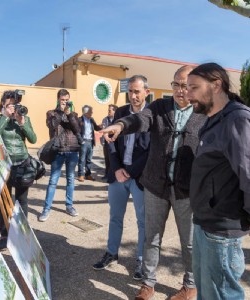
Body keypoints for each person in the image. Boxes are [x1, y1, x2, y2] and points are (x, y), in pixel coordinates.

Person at [101, 66, 207, 300]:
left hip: (186, 191)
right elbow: (139, 119)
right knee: (151, 237)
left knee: (188, 243)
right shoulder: (159, 107)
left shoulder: (204, 113)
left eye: (187, 86)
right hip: (156, 186)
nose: (181, 91)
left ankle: (190, 286)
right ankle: (148, 284)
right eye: (177, 85)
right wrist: (120, 126)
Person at [187, 62, 250, 300]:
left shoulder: (237, 120)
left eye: (194, 87)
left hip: (223, 228)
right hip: (204, 223)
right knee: (206, 292)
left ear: (216, 85)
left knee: (222, 295)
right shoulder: (213, 119)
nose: (188, 93)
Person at [93, 75, 150, 281]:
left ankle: (142, 261)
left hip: (139, 177)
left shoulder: (152, 116)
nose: (134, 96)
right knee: (115, 217)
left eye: (137, 91)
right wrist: (117, 168)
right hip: (118, 176)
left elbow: (151, 150)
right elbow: (111, 142)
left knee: (143, 222)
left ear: (146, 92)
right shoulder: (121, 112)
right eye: (131, 91)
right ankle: (111, 253)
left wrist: (131, 172)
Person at [0, 90, 37, 250]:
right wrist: (6, 116)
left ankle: (22, 233)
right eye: (10, 105)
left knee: (22, 200)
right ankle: (5, 235)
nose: (14, 108)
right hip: (4, 166)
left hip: (22, 164)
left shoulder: (24, 118)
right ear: (3, 105)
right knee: (4, 202)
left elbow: (33, 138)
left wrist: (22, 122)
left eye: (15, 104)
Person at [38, 89, 81, 222]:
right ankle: (46, 209)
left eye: (67, 100)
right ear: (58, 99)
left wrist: (69, 115)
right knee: (53, 181)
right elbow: (52, 126)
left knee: (70, 179)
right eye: (62, 100)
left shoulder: (73, 113)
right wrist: (60, 112)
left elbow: (76, 129)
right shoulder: (51, 113)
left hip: (72, 150)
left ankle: (69, 206)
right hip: (58, 151)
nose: (65, 102)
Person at [77, 105, 102, 182]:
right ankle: (81, 175)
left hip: (90, 141)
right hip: (84, 141)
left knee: (89, 159)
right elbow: (77, 132)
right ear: (85, 112)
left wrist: (101, 126)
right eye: (90, 111)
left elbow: (96, 128)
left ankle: (88, 175)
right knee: (81, 159)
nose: (92, 113)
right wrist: (81, 141)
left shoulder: (91, 119)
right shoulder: (79, 120)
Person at [100, 104, 118, 180]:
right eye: (108, 110)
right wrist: (110, 131)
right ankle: (107, 174)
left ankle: (113, 175)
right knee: (107, 159)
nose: (108, 112)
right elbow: (105, 130)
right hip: (106, 142)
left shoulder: (118, 120)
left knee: (113, 159)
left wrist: (110, 131)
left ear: (115, 111)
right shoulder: (105, 119)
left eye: (110, 110)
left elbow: (116, 131)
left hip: (115, 142)